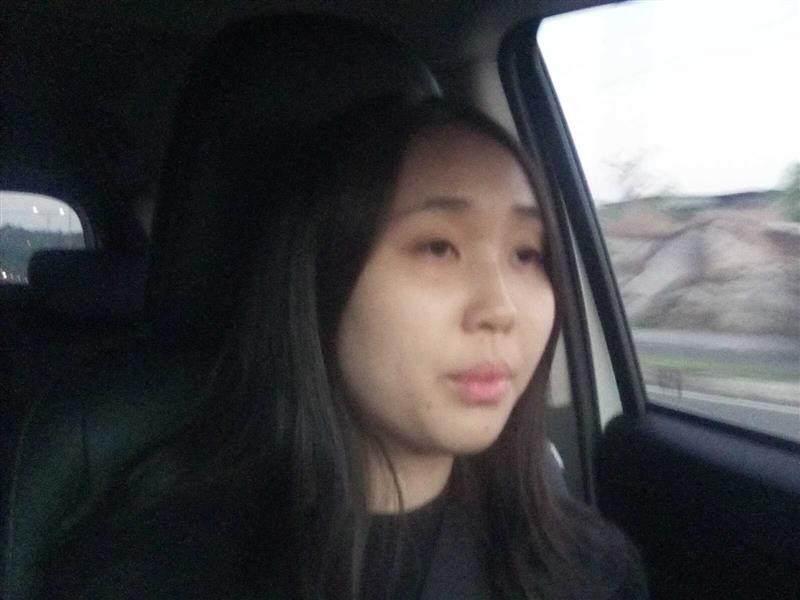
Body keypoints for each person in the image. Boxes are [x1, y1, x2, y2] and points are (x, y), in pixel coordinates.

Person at [41, 98, 648, 599]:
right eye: (438, 247)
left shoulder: (590, 570)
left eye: (527, 254)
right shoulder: (154, 570)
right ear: (319, 280)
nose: (502, 309)